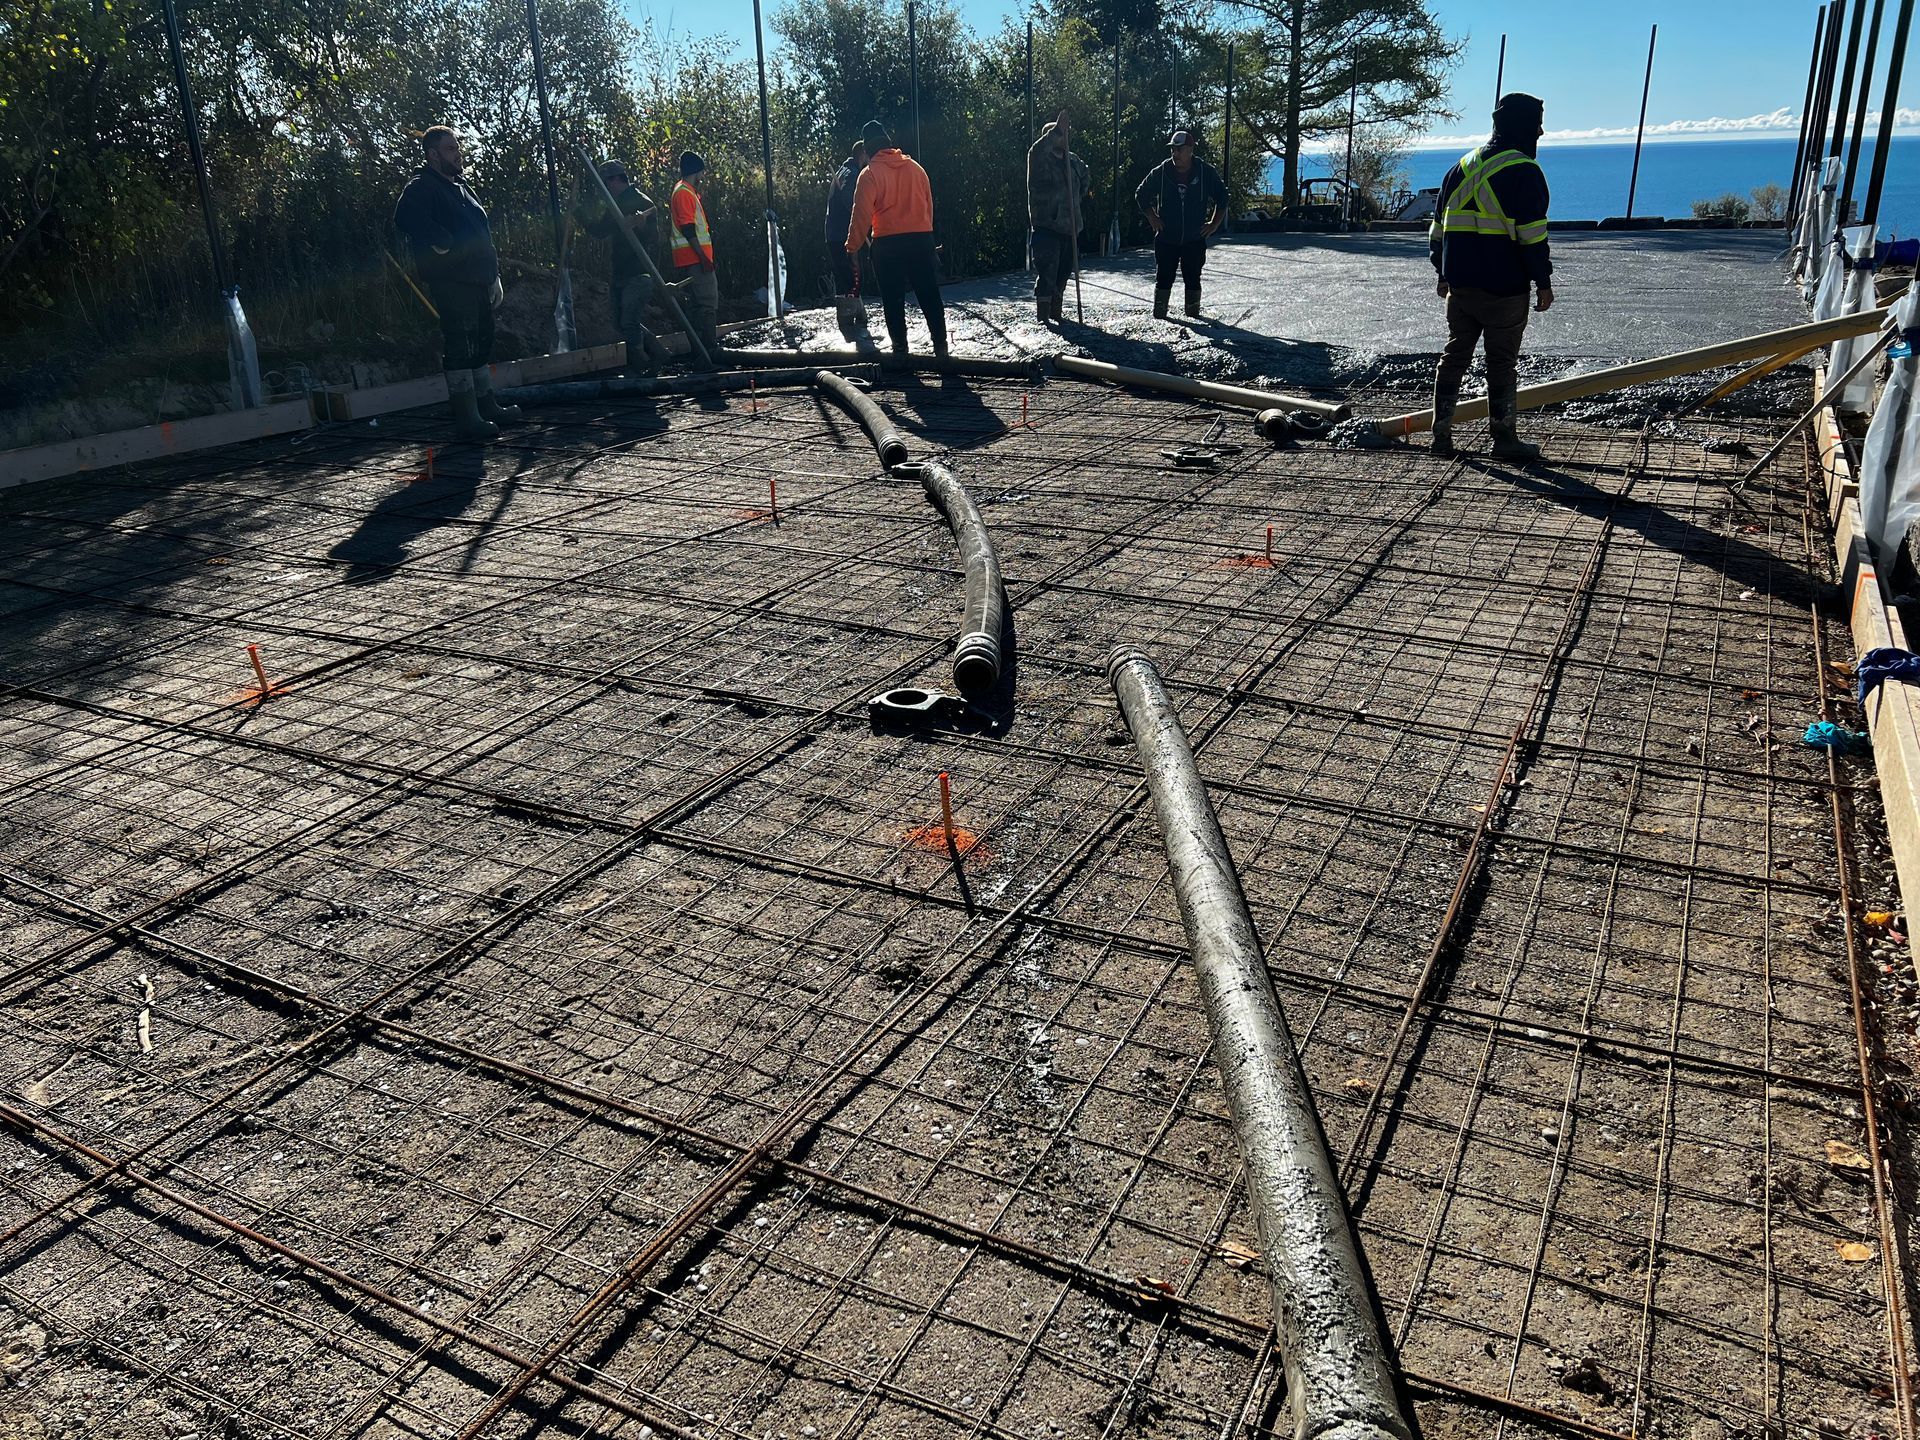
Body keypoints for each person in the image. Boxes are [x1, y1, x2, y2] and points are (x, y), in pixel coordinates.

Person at [1429, 92, 1555, 462]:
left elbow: (1437, 231)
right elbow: (1532, 237)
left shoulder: (1460, 168)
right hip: (1504, 289)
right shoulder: (1525, 171)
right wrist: (1543, 282)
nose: (1542, 131)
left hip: (1460, 286)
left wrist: (1442, 272)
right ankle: (1504, 439)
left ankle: (1441, 436)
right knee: (1501, 364)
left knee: (1454, 357)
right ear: (1524, 126)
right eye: (1537, 123)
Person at [393, 125, 523, 441]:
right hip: (452, 280)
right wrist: (441, 240)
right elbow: (404, 215)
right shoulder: (422, 186)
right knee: (461, 343)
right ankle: (467, 415)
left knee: (482, 340)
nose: (457, 153)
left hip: (479, 279)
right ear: (433, 154)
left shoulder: (462, 187)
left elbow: (482, 234)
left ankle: (485, 406)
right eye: (450, 149)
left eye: (457, 147)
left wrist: (494, 275)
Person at [845, 119, 948, 360]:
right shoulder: (916, 169)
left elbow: (860, 215)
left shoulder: (869, 175)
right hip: (921, 240)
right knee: (929, 294)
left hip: (888, 246)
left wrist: (852, 247)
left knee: (893, 300)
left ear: (868, 149)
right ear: (889, 143)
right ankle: (941, 346)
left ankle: (900, 349)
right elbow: (927, 206)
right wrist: (925, 234)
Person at [577, 159, 671, 378]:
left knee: (629, 322)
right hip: (621, 272)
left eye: (607, 182)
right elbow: (601, 231)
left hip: (639, 273)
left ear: (617, 179)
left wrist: (640, 225)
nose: (606, 188)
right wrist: (580, 214)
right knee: (621, 322)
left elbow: (654, 238)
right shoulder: (616, 203)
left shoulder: (640, 201)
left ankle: (639, 366)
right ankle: (657, 352)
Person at [1134, 129, 1226, 320]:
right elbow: (1141, 194)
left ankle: (1193, 314)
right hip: (1167, 237)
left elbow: (1223, 198)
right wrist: (1152, 217)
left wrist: (1214, 224)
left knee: (1193, 278)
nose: (1175, 154)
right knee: (1163, 278)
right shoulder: (1161, 172)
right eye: (1173, 150)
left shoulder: (1205, 171)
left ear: (1190, 150)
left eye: (1180, 149)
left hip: (1194, 238)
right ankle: (1160, 315)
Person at [1027, 111, 1091, 325]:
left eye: (1064, 134)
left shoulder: (1072, 161)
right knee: (1047, 273)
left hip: (1070, 227)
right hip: (1047, 228)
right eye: (1058, 135)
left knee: (1063, 274)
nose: (1063, 138)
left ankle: (1057, 314)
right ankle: (1043, 320)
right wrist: (1057, 130)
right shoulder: (1039, 161)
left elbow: (1085, 175)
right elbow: (1038, 149)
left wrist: (1077, 197)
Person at [670, 151, 721, 366]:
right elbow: (689, 229)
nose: (703, 176)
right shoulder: (684, 192)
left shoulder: (686, 191)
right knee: (706, 304)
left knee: (697, 307)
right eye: (702, 171)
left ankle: (701, 353)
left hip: (691, 259)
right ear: (697, 171)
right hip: (695, 260)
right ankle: (708, 352)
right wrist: (703, 258)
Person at [825, 140, 870, 336]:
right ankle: (850, 321)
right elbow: (854, 204)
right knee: (853, 277)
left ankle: (856, 315)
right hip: (845, 235)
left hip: (833, 233)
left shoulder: (844, 171)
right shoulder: (852, 175)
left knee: (847, 277)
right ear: (863, 155)